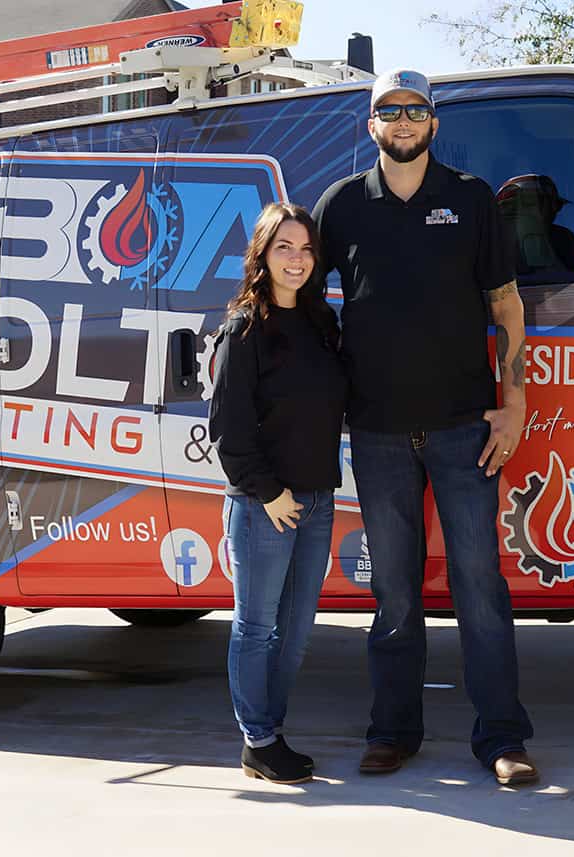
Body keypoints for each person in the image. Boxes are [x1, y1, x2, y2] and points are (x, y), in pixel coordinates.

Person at [311, 69, 538, 785]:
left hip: (463, 430)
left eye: (415, 110)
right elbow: (308, 310)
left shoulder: (470, 200)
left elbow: (505, 305)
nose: (402, 122)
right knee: (397, 593)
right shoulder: (340, 206)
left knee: (479, 585)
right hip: (375, 433)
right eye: (389, 110)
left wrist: (514, 401)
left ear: (434, 123)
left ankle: (502, 738)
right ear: (369, 124)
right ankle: (393, 731)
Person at [208, 202, 347, 785]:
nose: (297, 259)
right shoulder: (244, 330)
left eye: (306, 248)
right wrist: (269, 494)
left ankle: (271, 733)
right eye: (283, 247)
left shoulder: (320, 323)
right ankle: (258, 739)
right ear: (261, 255)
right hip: (265, 505)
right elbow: (227, 430)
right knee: (256, 627)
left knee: (295, 631)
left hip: (316, 499)